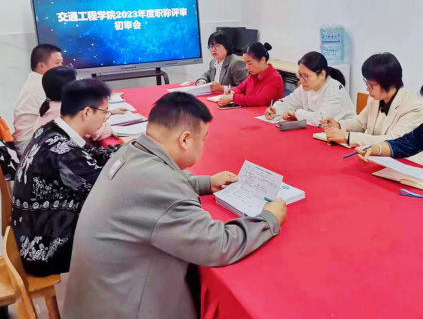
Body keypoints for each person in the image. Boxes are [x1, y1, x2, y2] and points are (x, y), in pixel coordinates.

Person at [62, 92, 287, 319]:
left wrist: (207, 182)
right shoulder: (162, 185)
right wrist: (268, 219)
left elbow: (163, 177)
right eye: (203, 138)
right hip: (125, 307)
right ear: (185, 139)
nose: (203, 144)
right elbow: (217, 245)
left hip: (95, 298)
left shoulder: (132, 150)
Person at [11, 79, 121, 276]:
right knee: (125, 221)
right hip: (43, 250)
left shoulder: (51, 129)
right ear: (87, 112)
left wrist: (126, 151)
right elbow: (108, 187)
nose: (106, 118)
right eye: (105, 112)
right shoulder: (63, 151)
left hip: (31, 229)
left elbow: (89, 158)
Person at [320, 52, 423, 147]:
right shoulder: (375, 99)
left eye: (371, 85)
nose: (367, 88)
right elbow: (360, 123)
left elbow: (393, 141)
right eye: (367, 83)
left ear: (388, 83)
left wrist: (348, 137)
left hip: (403, 159)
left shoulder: (412, 106)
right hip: (375, 155)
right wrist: (339, 125)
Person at [265, 51, 356, 126]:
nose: (302, 80)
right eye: (300, 75)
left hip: (344, 136)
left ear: (322, 75)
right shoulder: (306, 87)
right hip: (319, 133)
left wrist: (296, 113)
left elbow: (320, 119)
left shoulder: (334, 89)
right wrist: (275, 110)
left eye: (306, 76)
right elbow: (288, 102)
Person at [34, 67, 121, 140]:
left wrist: (105, 112)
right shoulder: (64, 111)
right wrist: (104, 116)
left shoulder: (50, 106)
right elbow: (99, 133)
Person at [13, 44, 63, 157]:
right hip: (33, 151)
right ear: (41, 66)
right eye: (57, 63)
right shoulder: (40, 88)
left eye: (61, 62)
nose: (61, 67)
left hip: (37, 144)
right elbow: (71, 120)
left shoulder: (36, 83)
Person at [218, 42, 284, 107]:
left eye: (250, 63)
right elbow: (241, 88)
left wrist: (233, 98)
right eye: (246, 63)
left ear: (262, 60)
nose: (247, 67)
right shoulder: (254, 74)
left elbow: (260, 100)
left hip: (262, 113)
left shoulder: (274, 78)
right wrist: (232, 92)